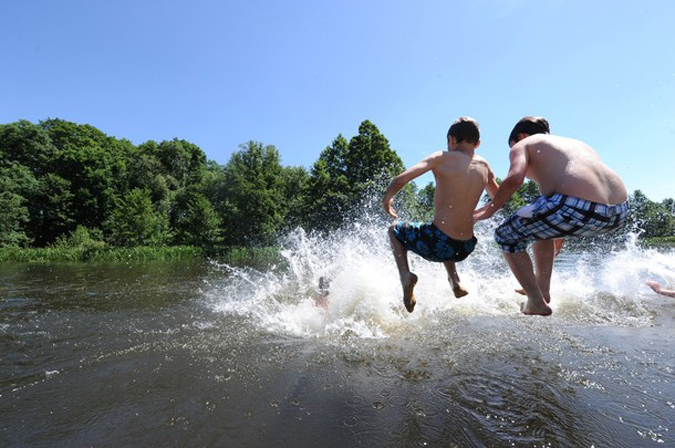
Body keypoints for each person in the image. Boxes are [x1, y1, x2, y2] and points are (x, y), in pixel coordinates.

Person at [474, 116, 629, 316]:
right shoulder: (575, 145)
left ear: (520, 136)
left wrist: (490, 209)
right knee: (537, 225)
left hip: (577, 207)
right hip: (618, 212)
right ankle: (542, 289)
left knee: (505, 234)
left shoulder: (524, 144)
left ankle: (536, 302)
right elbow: (559, 199)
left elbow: (514, 179)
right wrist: (558, 231)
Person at [383, 117, 498, 313]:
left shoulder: (442, 157)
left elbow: (400, 180)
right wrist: (476, 215)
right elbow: (497, 199)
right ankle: (455, 281)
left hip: (438, 243)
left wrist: (387, 199)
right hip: (466, 247)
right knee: (440, 228)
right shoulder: (484, 166)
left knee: (394, 229)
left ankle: (405, 277)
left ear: (451, 139)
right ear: (478, 143)